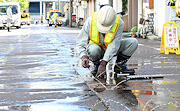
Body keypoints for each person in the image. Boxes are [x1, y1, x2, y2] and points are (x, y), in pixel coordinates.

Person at [76, 6, 138, 78]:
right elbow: (81, 42)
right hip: (97, 49)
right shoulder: (90, 21)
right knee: (93, 49)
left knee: (133, 42)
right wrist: (83, 56)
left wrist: (103, 63)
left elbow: (114, 45)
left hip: (112, 49)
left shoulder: (119, 23)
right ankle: (96, 65)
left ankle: (119, 65)